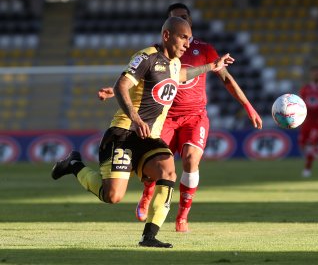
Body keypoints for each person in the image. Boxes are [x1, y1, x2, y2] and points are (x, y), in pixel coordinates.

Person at [51, 16, 234, 248]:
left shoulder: (176, 63)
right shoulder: (146, 57)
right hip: (124, 133)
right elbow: (122, 85)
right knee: (113, 196)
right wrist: (135, 118)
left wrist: (211, 66)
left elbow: (181, 76)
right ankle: (74, 164)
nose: (188, 43)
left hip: (148, 137)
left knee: (168, 171)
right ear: (167, 36)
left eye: (190, 38)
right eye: (183, 37)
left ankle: (149, 236)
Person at [99, 3, 262, 232]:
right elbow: (148, 79)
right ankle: (147, 195)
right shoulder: (160, 55)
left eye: (185, 18)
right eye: (176, 21)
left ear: (190, 22)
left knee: (190, 160)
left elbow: (223, 78)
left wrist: (248, 106)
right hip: (164, 118)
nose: (184, 34)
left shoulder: (203, 50)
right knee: (155, 166)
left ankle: (183, 215)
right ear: (168, 30)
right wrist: (115, 89)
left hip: (195, 116)